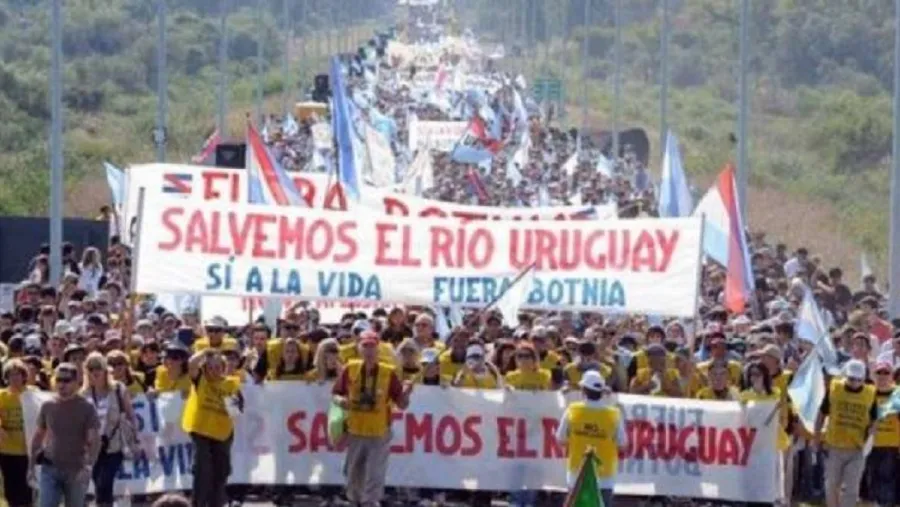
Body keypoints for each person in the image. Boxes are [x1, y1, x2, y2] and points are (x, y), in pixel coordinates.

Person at [332, 331, 413, 507]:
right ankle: (354, 500)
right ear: (359, 348)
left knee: (375, 472)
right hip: (355, 429)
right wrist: (341, 401)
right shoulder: (350, 368)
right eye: (365, 346)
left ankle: (370, 501)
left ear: (378, 349)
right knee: (353, 471)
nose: (369, 350)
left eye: (372, 346)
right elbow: (336, 393)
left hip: (379, 431)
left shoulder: (388, 373)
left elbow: (402, 404)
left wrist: (407, 393)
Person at [30, 363, 101, 507]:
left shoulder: (87, 407)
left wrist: (88, 467)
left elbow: (94, 440)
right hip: (50, 467)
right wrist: (31, 466)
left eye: (66, 381)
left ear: (76, 382)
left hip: (76, 470)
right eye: (58, 380)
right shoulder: (48, 405)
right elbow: (38, 435)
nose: (61, 385)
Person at [182, 348, 243, 507]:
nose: (214, 371)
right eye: (210, 367)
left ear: (223, 369)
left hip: (222, 433)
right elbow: (191, 364)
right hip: (201, 431)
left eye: (218, 367)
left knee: (221, 471)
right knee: (203, 470)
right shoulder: (201, 380)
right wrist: (205, 353)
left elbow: (235, 413)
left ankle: (217, 503)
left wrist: (231, 400)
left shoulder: (230, 385)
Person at [814, 359, 878, 507]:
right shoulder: (835, 389)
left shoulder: (870, 393)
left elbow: (874, 418)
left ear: (864, 378)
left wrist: (872, 433)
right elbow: (822, 413)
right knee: (831, 485)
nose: (854, 382)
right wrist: (816, 437)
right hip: (834, 446)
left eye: (858, 379)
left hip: (857, 448)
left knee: (851, 488)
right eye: (851, 378)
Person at [556, 370, 625, 507]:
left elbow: (560, 438)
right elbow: (622, 443)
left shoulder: (573, 410)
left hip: (577, 472)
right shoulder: (614, 414)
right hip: (605, 474)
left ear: (583, 390)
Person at [82, 351, 138, 507]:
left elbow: (131, 415)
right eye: (91, 368)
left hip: (114, 444)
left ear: (105, 369)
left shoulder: (119, 389)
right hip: (92, 447)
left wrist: (135, 437)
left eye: (98, 367)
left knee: (105, 481)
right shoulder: (84, 394)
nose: (95, 372)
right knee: (98, 481)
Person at [0, 359, 37, 507]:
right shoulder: (2, 396)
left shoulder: (33, 394)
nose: (14, 378)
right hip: (7, 450)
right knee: (11, 490)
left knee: (27, 490)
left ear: (24, 376)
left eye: (18, 374)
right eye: (11, 375)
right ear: (6, 377)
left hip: (27, 449)